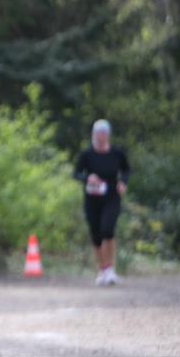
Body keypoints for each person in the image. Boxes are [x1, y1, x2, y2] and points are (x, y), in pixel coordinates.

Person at [73, 119, 130, 286]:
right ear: (93, 135)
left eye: (104, 133)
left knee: (107, 229)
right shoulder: (87, 154)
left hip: (111, 196)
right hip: (92, 198)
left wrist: (123, 182)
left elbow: (126, 169)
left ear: (108, 135)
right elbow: (76, 173)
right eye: (98, 133)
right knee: (96, 235)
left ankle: (110, 269)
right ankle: (102, 268)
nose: (100, 136)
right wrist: (87, 177)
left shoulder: (117, 153)